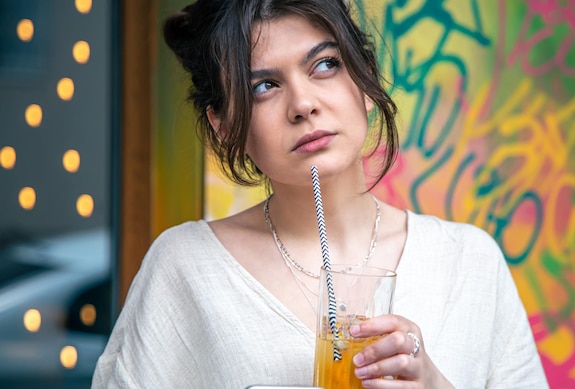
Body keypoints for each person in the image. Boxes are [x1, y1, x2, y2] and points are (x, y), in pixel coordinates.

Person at [92, 0, 548, 387]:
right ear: (225, 123)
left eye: (325, 64)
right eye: (264, 86)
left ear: (366, 80)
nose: (303, 104)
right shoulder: (186, 266)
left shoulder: (469, 262)